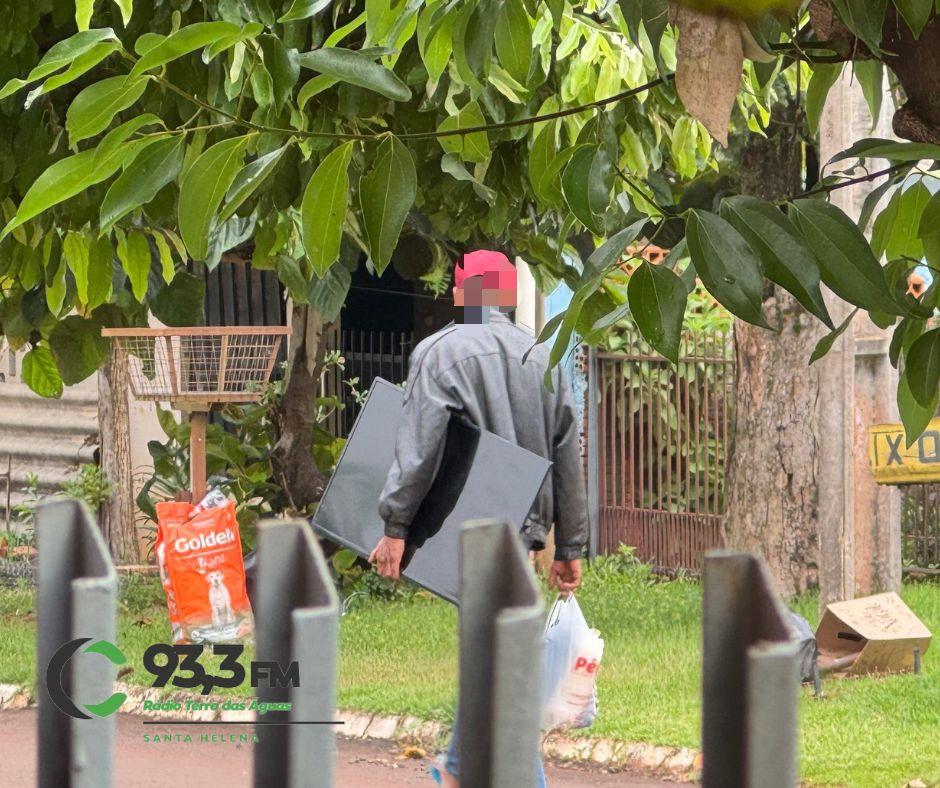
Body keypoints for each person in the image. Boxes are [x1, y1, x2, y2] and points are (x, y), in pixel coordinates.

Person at [368, 249, 588, 787]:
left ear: (461, 292)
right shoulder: (547, 356)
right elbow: (568, 456)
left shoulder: (440, 351)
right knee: (495, 652)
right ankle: (459, 766)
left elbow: (418, 448)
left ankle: (468, 769)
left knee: (495, 658)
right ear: (509, 295)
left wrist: (395, 527)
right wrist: (570, 546)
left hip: (463, 531)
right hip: (522, 535)